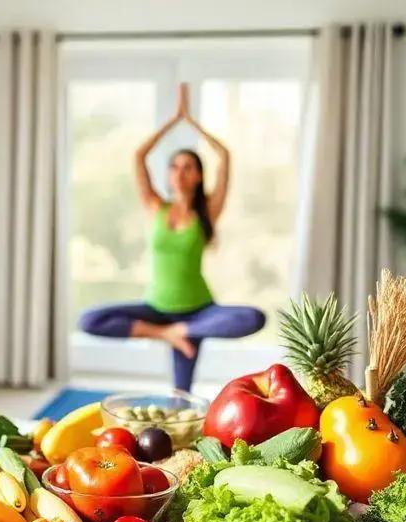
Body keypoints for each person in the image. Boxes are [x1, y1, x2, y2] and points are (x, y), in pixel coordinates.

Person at [78, 84, 265, 392]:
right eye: (174, 166)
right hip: (156, 308)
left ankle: (182, 330)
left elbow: (224, 155)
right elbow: (139, 156)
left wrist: (191, 123)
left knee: (251, 319)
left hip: (199, 312)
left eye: (188, 167)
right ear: (167, 174)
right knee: (89, 320)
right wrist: (173, 121)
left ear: (198, 176)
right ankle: (167, 332)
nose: (180, 172)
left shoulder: (209, 211)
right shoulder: (156, 207)